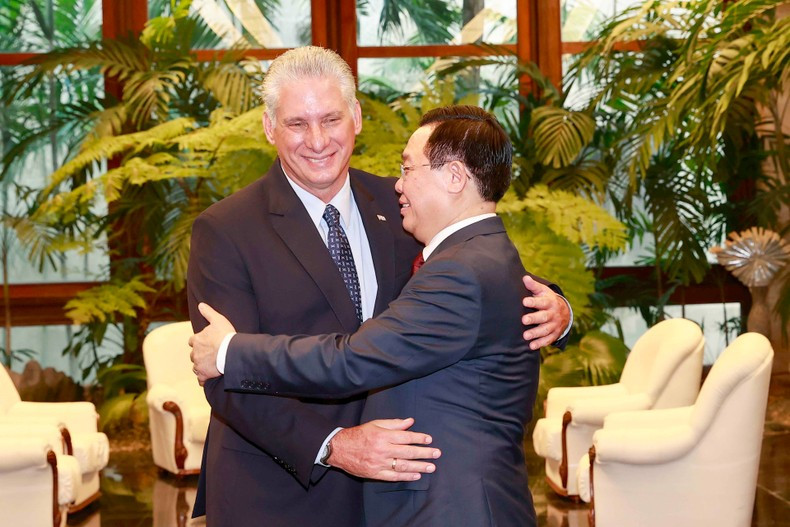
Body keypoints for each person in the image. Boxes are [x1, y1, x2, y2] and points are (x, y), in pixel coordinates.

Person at [187, 46, 570, 527]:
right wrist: (335, 446)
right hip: (282, 492)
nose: (318, 140)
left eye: (330, 119)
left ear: (356, 117)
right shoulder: (225, 229)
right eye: (297, 124)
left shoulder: (404, 203)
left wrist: (555, 307)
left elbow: (477, 263)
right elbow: (226, 383)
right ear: (269, 128)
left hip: (403, 490)